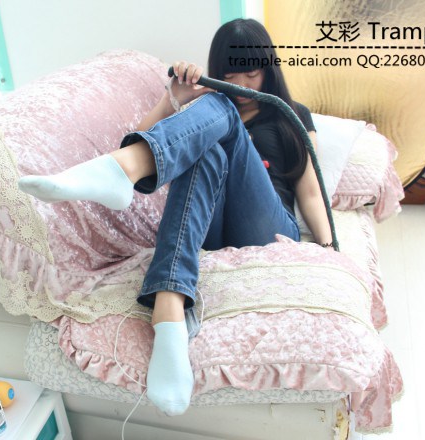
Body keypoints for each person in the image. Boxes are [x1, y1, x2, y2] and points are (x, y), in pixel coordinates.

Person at [18, 18, 333, 416]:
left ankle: (121, 173)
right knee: (209, 140)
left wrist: (327, 246)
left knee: (219, 108)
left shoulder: (292, 114)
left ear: (268, 68)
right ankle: (169, 305)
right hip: (211, 228)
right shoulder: (207, 110)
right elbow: (144, 130)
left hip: (267, 225)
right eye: (230, 75)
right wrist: (174, 100)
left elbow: (310, 191)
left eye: (251, 73)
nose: (242, 84)